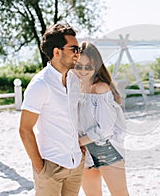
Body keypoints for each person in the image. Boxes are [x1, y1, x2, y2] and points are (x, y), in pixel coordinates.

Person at [19, 23, 85, 196]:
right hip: (51, 166)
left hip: (76, 163)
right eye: (74, 49)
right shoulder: (40, 85)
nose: (78, 54)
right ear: (57, 52)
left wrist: (80, 149)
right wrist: (41, 169)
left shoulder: (74, 80)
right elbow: (25, 129)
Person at [73, 42, 129, 196]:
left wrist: (77, 142)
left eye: (88, 67)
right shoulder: (73, 87)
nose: (83, 71)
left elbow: (105, 129)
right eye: (78, 66)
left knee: (120, 194)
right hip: (84, 150)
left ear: (96, 66)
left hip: (105, 147)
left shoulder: (100, 88)